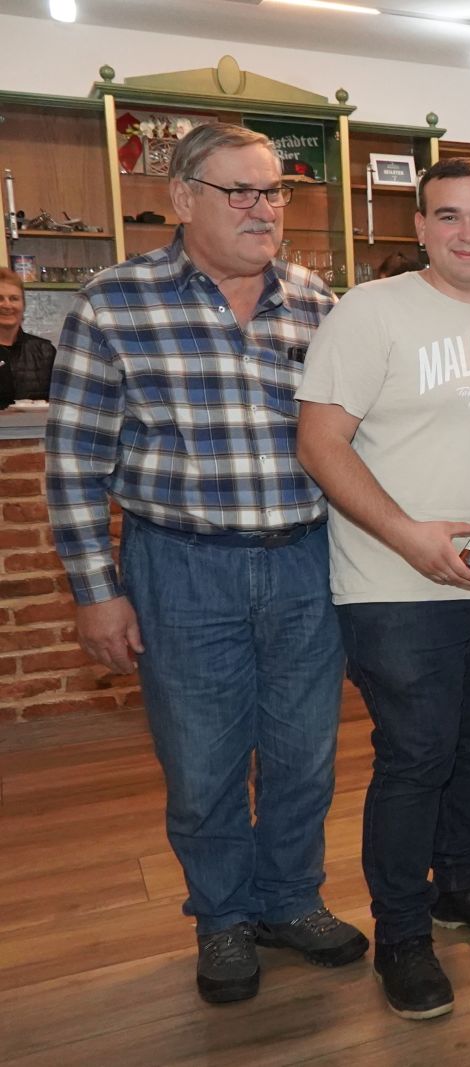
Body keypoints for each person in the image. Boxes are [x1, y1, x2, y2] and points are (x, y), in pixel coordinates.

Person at [44, 123, 367, 1006]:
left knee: (305, 755)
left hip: (304, 563)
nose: (265, 210)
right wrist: (96, 592)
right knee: (202, 763)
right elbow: (74, 462)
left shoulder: (318, 303)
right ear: (184, 199)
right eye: (242, 192)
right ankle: (223, 916)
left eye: (275, 192)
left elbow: (354, 440)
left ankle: (290, 900)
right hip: (181, 568)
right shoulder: (114, 304)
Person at [295, 156, 470, 1020]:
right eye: (447, 216)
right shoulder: (369, 312)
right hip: (393, 585)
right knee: (416, 755)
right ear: (419, 227)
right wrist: (406, 533)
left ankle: (461, 885)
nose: (467, 233)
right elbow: (319, 442)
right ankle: (403, 932)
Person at [0, 267, 57, 406]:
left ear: (23, 305)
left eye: (14, 298)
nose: (7, 305)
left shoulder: (45, 352)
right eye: (0, 298)